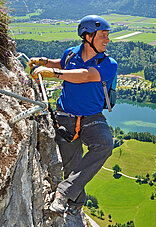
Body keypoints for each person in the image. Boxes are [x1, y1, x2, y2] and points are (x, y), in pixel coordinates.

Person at [29, 15, 117, 215]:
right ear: (88, 37)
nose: (107, 40)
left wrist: (54, 74)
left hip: (92, 117)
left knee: (104, 145)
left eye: (107, 35)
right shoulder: (70, 54)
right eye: (103, 35)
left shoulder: (109, 63)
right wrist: (44, 62)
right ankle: (76, 204)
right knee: (72, 167)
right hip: (66, 116)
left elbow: (86, 75)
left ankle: (62, 193)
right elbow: (62, 63)